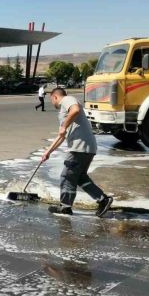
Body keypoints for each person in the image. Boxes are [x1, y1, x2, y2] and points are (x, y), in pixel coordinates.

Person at [41, 88, 113, 217]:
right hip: (87, 147)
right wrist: (48, 152)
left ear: (55, 97)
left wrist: (63, 126)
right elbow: (61, 136)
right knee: (80, 177)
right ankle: (103, 200)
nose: (52, 103)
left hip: (80, 146)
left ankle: (65, 207)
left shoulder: (67, 100)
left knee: (67, 175)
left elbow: (75, 110)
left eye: (51, 100)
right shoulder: (64, 115)